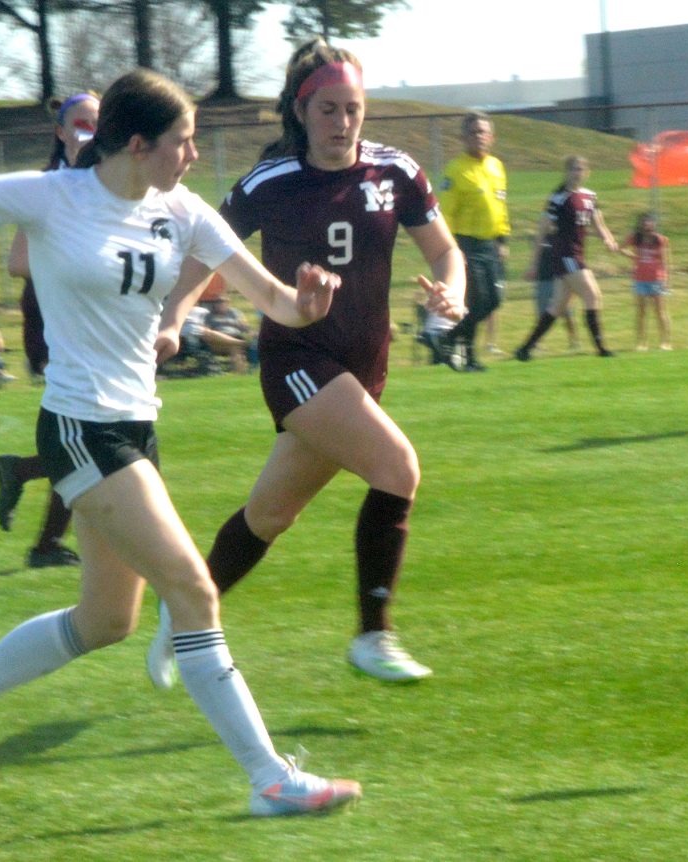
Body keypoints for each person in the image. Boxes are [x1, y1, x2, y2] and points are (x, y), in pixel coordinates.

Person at [0, 68, 362, 816]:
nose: (193, 156)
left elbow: (275, 302)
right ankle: (270, 779)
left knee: (106, 622)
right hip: (77, 426)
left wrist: (309, 303)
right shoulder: (56, 196)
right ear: (137, 144)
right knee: (195, 591)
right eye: (183, 142)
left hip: (135, 424)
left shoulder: (184, 210)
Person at [147, 38, 465, 688]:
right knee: (397, 467)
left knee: (269, 514)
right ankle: (373, 635)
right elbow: (203, 254)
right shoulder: (272, 182)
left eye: (352, 108)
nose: (342, 122)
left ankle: (182, 614)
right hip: (298, 361)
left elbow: (445, 251)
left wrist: (451, 292)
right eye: (327, 109)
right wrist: (174, 320)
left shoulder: (395, 172)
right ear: (302, 110)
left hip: (363, 369)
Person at [0, 91, 100, 569]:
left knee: (88, 440)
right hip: (56, 320)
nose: (91, 132)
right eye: (81, 123)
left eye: (100, 123)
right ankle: (45, 541)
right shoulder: (51, 185)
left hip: (92, 324)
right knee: (88, 440)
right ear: (61, 132)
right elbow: (18, 263)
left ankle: (24, 481)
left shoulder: (105, 182)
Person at [514, 156, 619, 361]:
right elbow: (542, 231)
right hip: (565, 256)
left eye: (580, 169)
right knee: (593, 295)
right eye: (573, 169)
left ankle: (525, 349)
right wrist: (534, 263)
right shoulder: (558, 198)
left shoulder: (590, 196)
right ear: (566, 172)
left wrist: (608, 239)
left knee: (558, 306)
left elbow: (598, 224)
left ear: (587, 173)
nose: (577, 173)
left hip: (577, 254)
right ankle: (601, 348)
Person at [437, 111, 508, 372]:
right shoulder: (456, 170)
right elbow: (446, 213)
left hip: (491, 244)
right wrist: (452, 248)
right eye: (474, 132)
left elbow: (501, 206)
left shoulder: (496, 167)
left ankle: (448, 338)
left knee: (494, 300)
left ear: (491, 137)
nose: (479, 137)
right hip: (467, 244)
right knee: (477, 301)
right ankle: (468, 356)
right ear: (463, 138)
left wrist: (503, 238)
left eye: (483, 132)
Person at [623, 212, 672, 351]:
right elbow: (621, 248)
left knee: (660, 312)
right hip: (640, 279)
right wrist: (634, 257)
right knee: (641, 313)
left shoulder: (660, 240)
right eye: (644, 222)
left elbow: (665, 262)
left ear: (654, 224)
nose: (647, 224)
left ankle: (665, 342)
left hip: (656, 279)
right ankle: (641, 343)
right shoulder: (635, 238)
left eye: (650, 222)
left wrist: (666, 280)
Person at [531, 241, 579, 353]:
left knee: (568, 313)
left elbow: (570, 258)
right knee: (541, 315)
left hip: (560, 279)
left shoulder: (562, 238)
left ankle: (574, 341)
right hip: (543, 281)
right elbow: (536, 257)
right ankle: (536, 344)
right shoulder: (540, 239)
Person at [202, 294, 252, 373]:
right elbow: (206, 330)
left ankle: (240, 373)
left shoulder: (235, 313)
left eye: (224, 302)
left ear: (228, 303)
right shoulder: (209, 316)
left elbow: (245, 327)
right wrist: (207, 331)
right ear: (214, 304)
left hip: (234, 338)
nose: (221, 304)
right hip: (218, 342)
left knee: (234, 347)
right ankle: (242, 343)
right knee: (213, 333)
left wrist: (247, 328)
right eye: (218, 302)